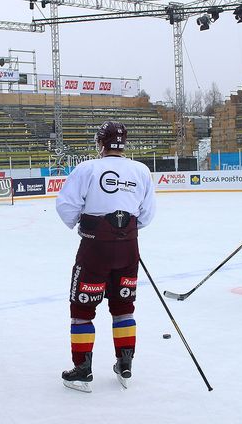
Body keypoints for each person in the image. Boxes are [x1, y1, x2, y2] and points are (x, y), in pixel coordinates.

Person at [55, 121, 156, 392]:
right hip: (128, 248)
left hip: (94, 249)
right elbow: (146, 214)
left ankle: (82, 368)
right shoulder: (141, 170)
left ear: (100, 142)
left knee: (82, 309)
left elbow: (66, 207)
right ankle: (125, 364)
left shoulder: (87, 168)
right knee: (124, 307)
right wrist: (121, 232)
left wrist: (87, 224)